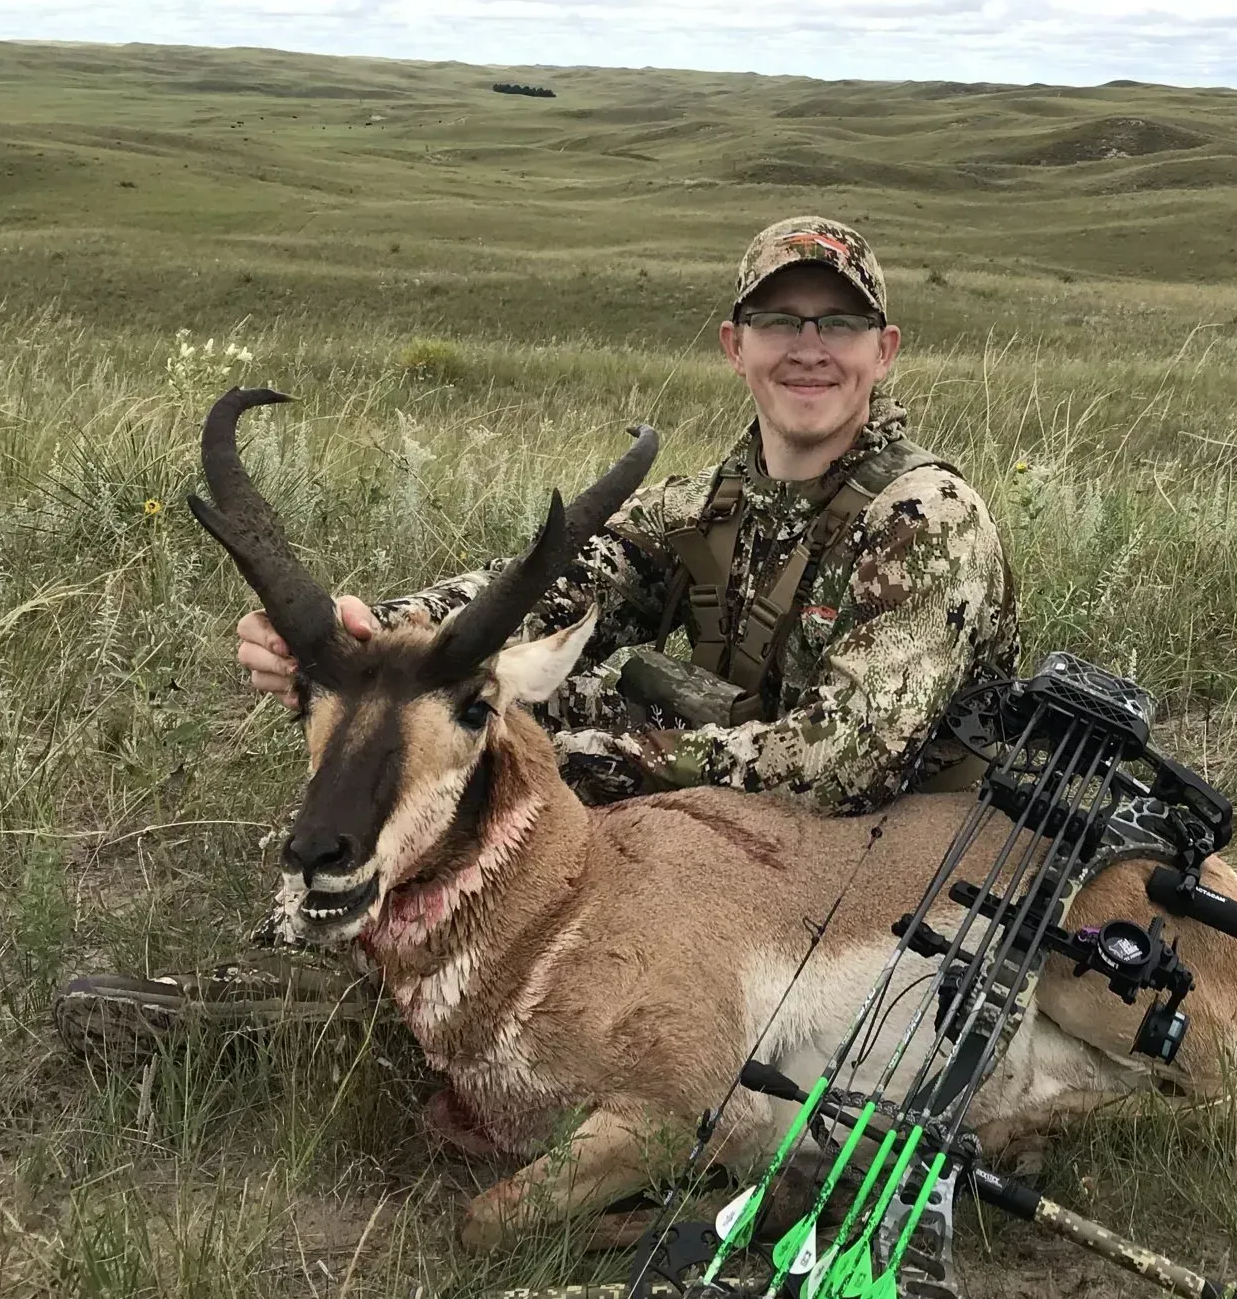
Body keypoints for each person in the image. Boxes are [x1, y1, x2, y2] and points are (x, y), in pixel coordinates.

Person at [57, 217, 1018, 1047]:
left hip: (903, 850)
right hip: (751, 825)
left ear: (882, 349)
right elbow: (551, 586)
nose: (809, 346)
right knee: (462, 716)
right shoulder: (717, 504)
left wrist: (590, 756)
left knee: (520, 758)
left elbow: (838, 764)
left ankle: (364, 1008)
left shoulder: (926, 519)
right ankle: (347, 941)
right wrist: (372, 640)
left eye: (838, 323)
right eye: (780, 320)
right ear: (736, 344)